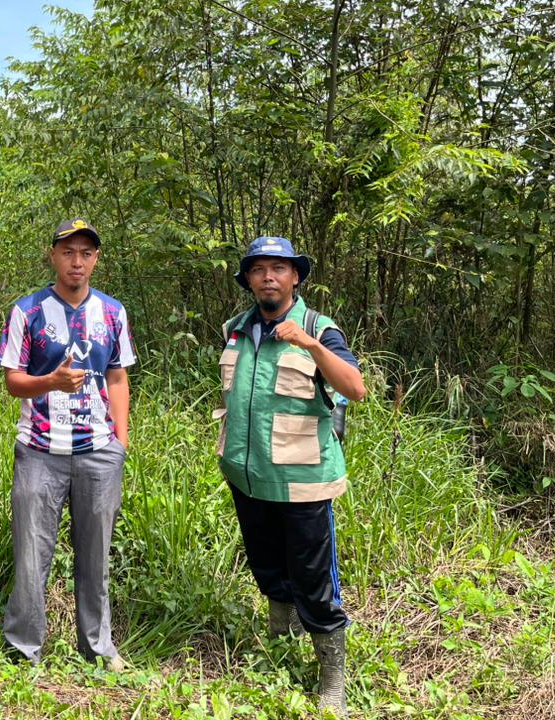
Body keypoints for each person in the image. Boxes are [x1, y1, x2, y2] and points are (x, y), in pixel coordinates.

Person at [216, 236, 366, 714]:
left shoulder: (320, 329)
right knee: (266, 565)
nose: (268, 277)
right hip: (248, 475)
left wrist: (309, 345)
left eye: (278, 268)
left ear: (295, 277)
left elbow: (355, 389)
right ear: (248, 279)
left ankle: (332, 678)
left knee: (314, 582)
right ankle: (280, 641)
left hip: (303, 480)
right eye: (259, 269)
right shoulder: (236, 330)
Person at [0, 218, 135, 669]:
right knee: (31, 555)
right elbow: (13, 381)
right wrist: (51, 382)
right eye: (68, 252)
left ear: (96, 259)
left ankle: (97, 647)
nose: (78, 261)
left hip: (99, 452)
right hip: (39, 450)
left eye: (86, 253)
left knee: (96, 557)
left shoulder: (112, 312)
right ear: (53, 256)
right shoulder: (28, 311)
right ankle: (23, 648)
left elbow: (117, 375)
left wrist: (120, 441)